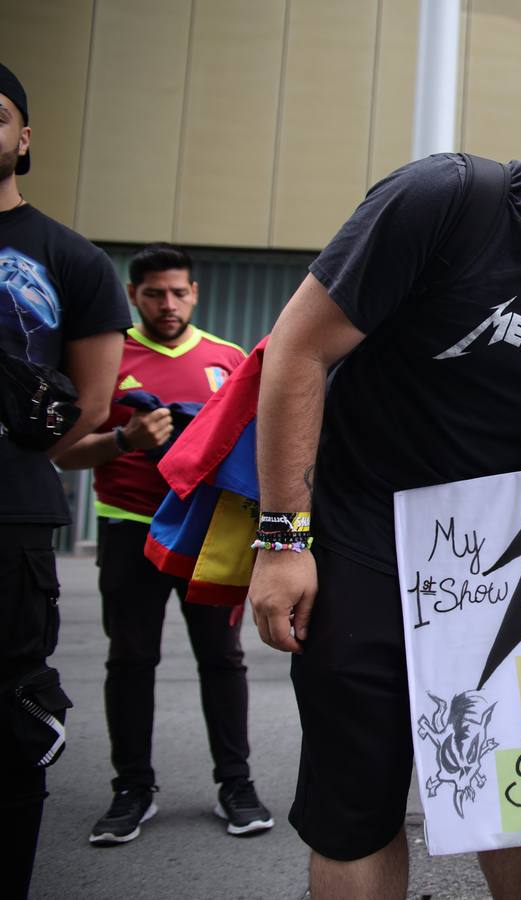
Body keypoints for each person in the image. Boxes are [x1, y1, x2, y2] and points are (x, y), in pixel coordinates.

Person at [245, 42, 521, 900]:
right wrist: (280, 538)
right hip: (367, 545)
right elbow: (297, 353)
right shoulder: (448, 199)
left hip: (512, 576)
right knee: (359, 810)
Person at [51, 244, 271, 844]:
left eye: (178, 292)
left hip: (206, 533)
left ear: (195, 293)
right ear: (133, 295)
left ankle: (236, 784)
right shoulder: (107, 356)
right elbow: (64, 452)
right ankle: (132, 789)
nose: (168, 304)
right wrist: (123, 439)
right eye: (154, 293)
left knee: (222, 658)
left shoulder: (227, 358)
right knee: (130, 661)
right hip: (128, 527)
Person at [0, 62, 131, 899]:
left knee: (9, 718)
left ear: (24, 136)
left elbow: (85, 408)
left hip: (10, 520)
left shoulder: (68, 259)